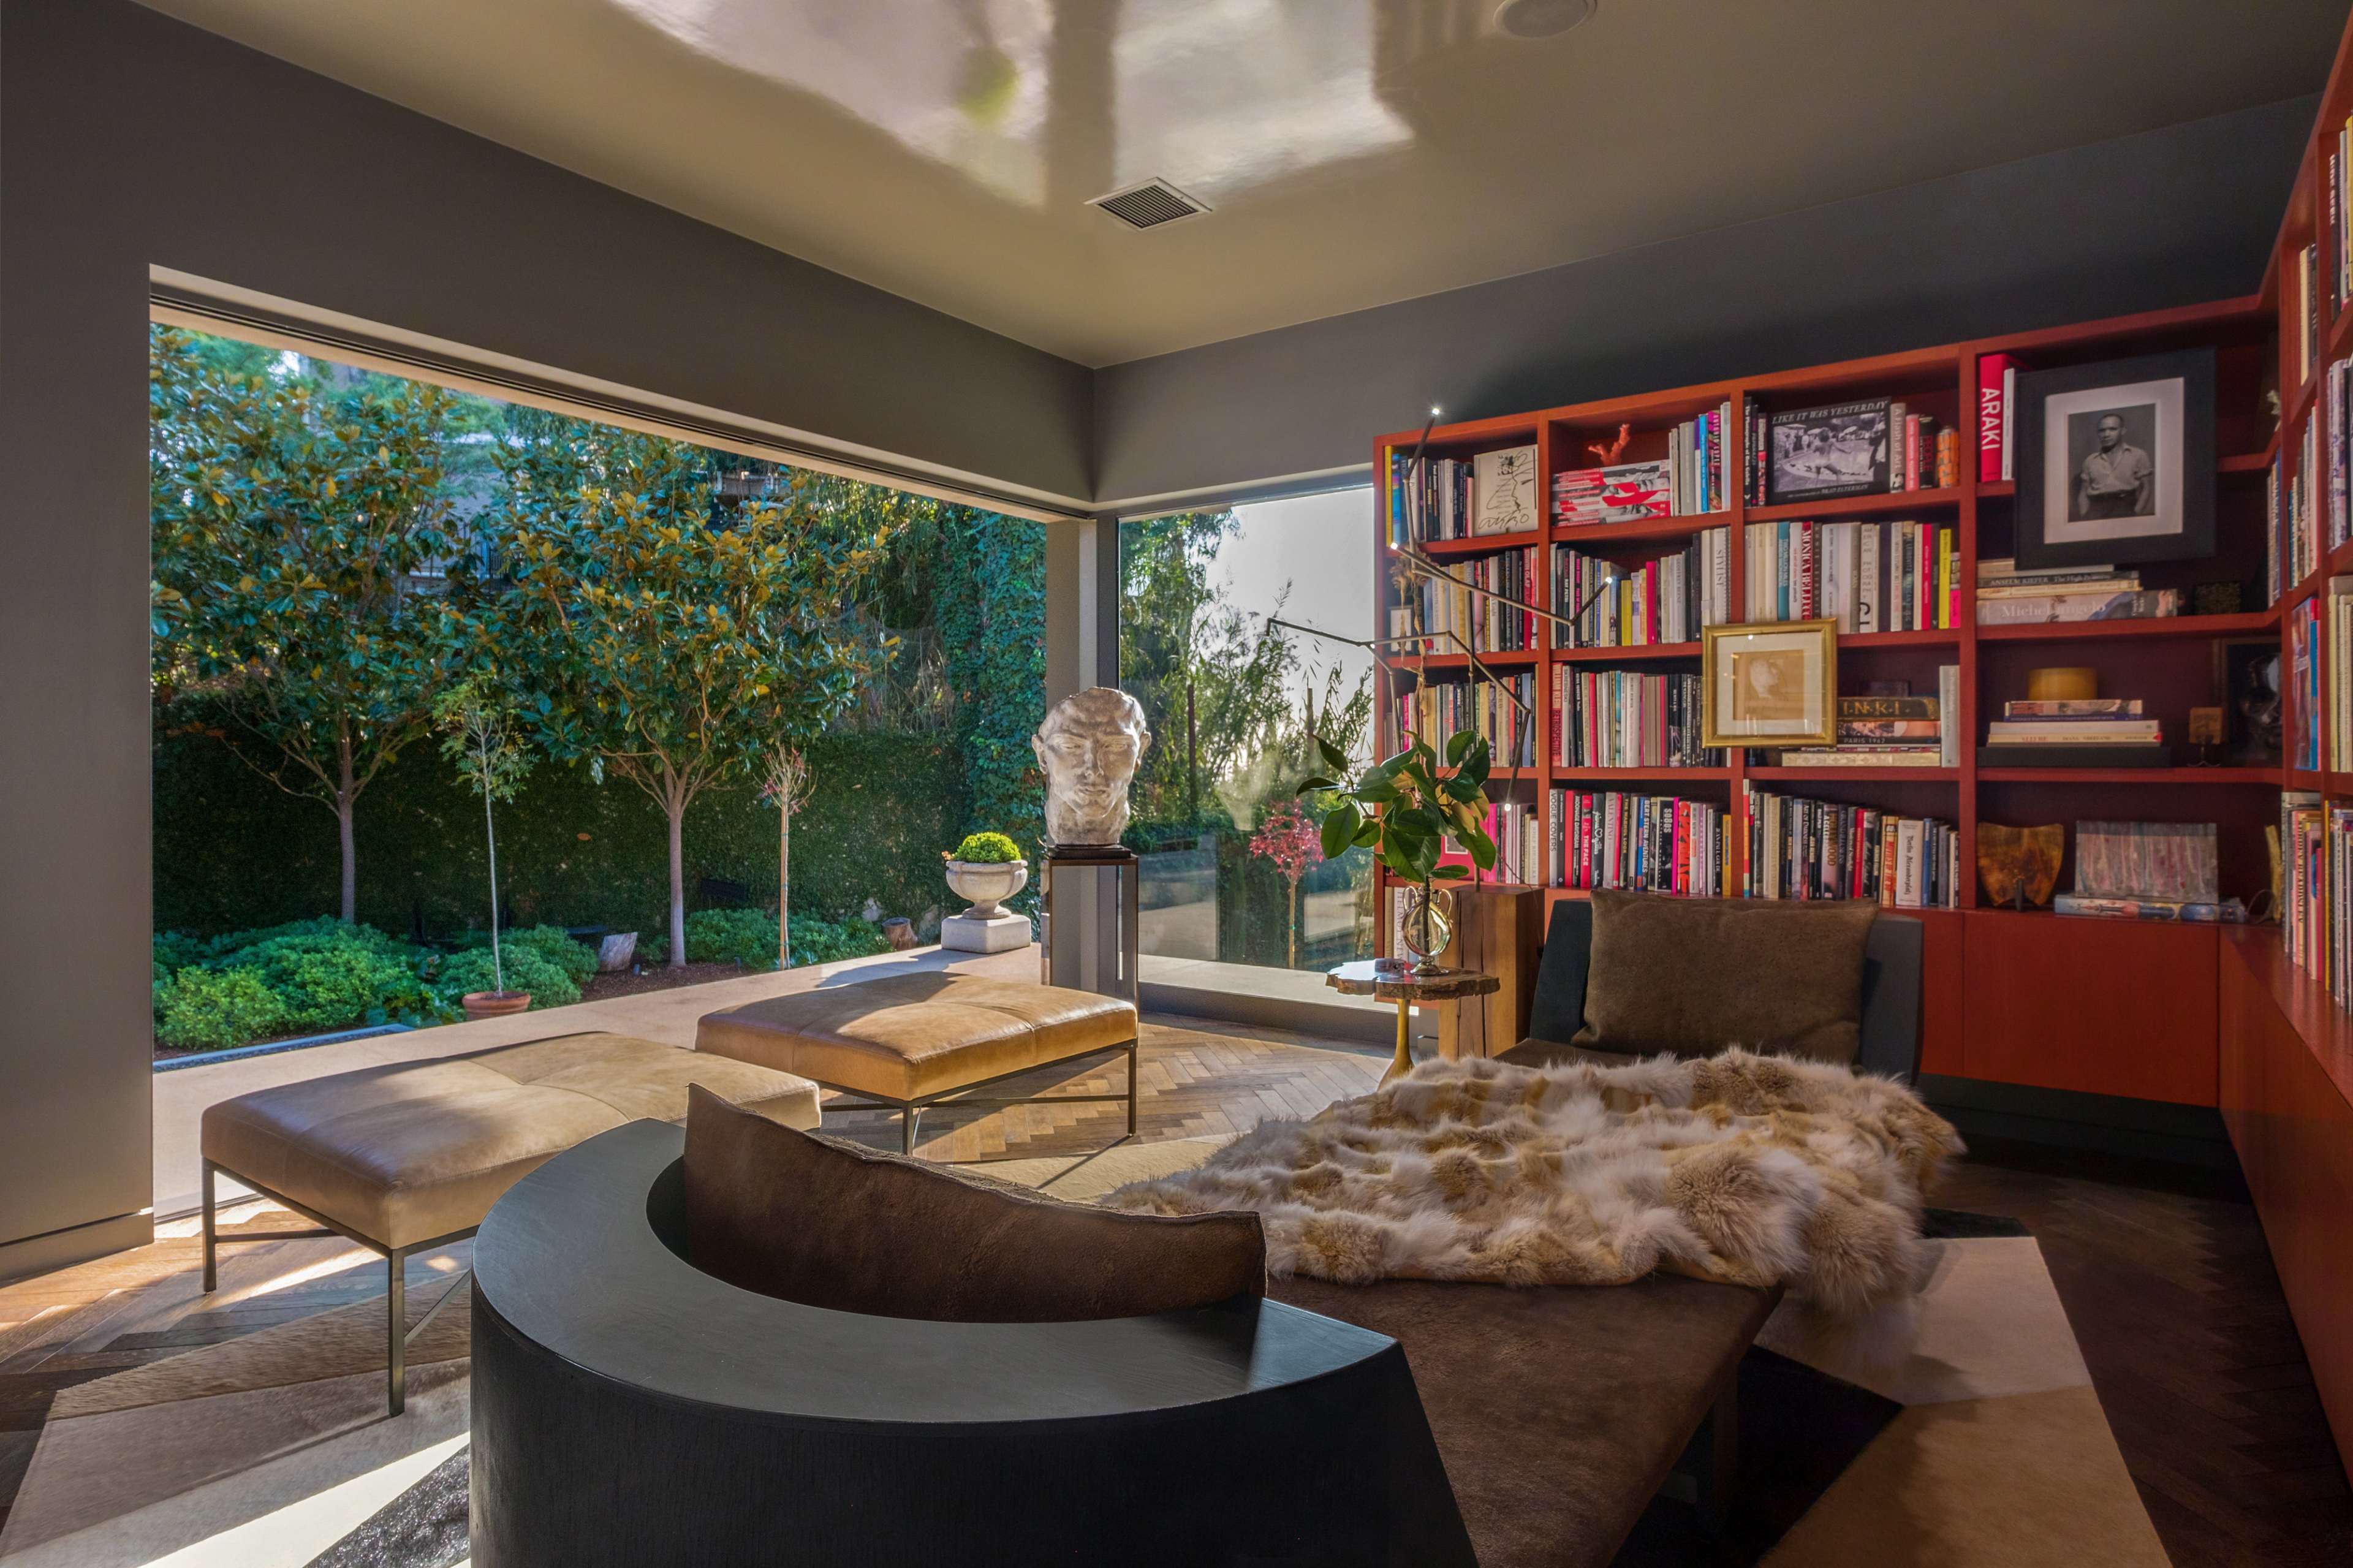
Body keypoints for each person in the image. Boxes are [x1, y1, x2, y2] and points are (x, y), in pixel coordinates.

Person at [2076, 412, 2153, 519]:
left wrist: (2136, 513)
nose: (2106, 435)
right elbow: (2083, 493)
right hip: (2096, 510)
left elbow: (2146, 488)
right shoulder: (2090, 460)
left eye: (2112, 429)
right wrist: (2084, 516)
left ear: (2123, 431)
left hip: (2126, 508)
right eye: (2102, 431)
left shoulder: (2138, 455)